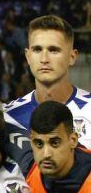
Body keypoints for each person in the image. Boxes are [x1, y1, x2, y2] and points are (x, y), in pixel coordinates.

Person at [5, 15, 91, 148]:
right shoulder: (9, 116)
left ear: (72, 57)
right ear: (28, 56)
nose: (44, 59)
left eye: (53, 50)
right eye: (37, 50)